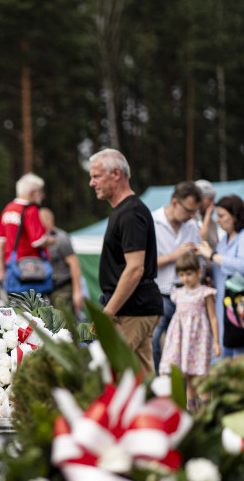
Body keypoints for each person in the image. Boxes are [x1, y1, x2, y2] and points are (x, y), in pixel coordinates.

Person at [87, 148, 162, 374]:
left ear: (116, 174)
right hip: (134, 308)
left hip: (134, 310)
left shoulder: (130, 213)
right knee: (141, 376)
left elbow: (135, 268)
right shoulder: (124, 211)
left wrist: (106, 314)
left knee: (116, 375)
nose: (92, 183)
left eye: (96, 176)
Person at [197, 195, 244, 359]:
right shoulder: (225, 240)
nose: (218, 221)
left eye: (221, 216)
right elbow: (219, 268)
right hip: (225, 311)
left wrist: (213, 255)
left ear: (235, 215)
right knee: (225, 364)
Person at [151, 181, 203, 371]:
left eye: (194, 212)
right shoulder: (151, 222)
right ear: (175, 203)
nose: (191, 216)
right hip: (159, 293)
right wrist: (175, 255)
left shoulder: (191, 227)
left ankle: (182, 393)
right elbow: (142, 263)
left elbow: (200, 262)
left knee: (186, 346)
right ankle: (157, 388)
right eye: (189, 211)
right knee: (153, 342)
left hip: (186, 295)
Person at [158, 251, 218, 409]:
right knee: (188, 376)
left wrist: (216, 342)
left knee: (201, 375)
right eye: (182, 274)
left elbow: (213, 317)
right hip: (181, 340)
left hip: (199, 339)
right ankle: (191, 410)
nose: (185, 278)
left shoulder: (205, 292)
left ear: (199, 272)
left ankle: (206, 409)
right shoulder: (177, 293)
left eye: (189, 274)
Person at [0, 173, 56, 293]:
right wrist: (51, 240)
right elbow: (37, 241)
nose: (42, 196)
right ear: (32, 193)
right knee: (35, 308)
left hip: (12, 268)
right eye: (40, 192)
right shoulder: (30, 209)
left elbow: (0, 243)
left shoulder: (8, 209)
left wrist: (2, 271)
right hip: (32, 270)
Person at [39, 208, 83, 314]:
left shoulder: (61, 239)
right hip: (46, 290)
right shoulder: (39, 240)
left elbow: (74, 264)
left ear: (49, 221)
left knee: (64, 325)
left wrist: (77, 292)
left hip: (63, 289)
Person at [195, 179, 219, 254]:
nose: (212, 204)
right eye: (210, 200)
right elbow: (201, 240)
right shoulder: (191, 218)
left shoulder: (211, 222)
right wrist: (208, 216)